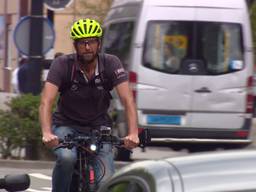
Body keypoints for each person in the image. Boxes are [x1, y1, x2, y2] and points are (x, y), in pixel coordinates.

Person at [39, 18, 139, 192]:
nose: (87, 47)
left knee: (106, 181)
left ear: (99, 43)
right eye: (82, 43)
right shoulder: (62, 64)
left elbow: (128, 100)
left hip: (99, 127)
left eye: (92, 41)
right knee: (67, 158)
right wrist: (47, 132)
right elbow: (46, 101)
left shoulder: (111, 63)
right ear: (75, 45)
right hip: (66, 126)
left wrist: (133, 133)